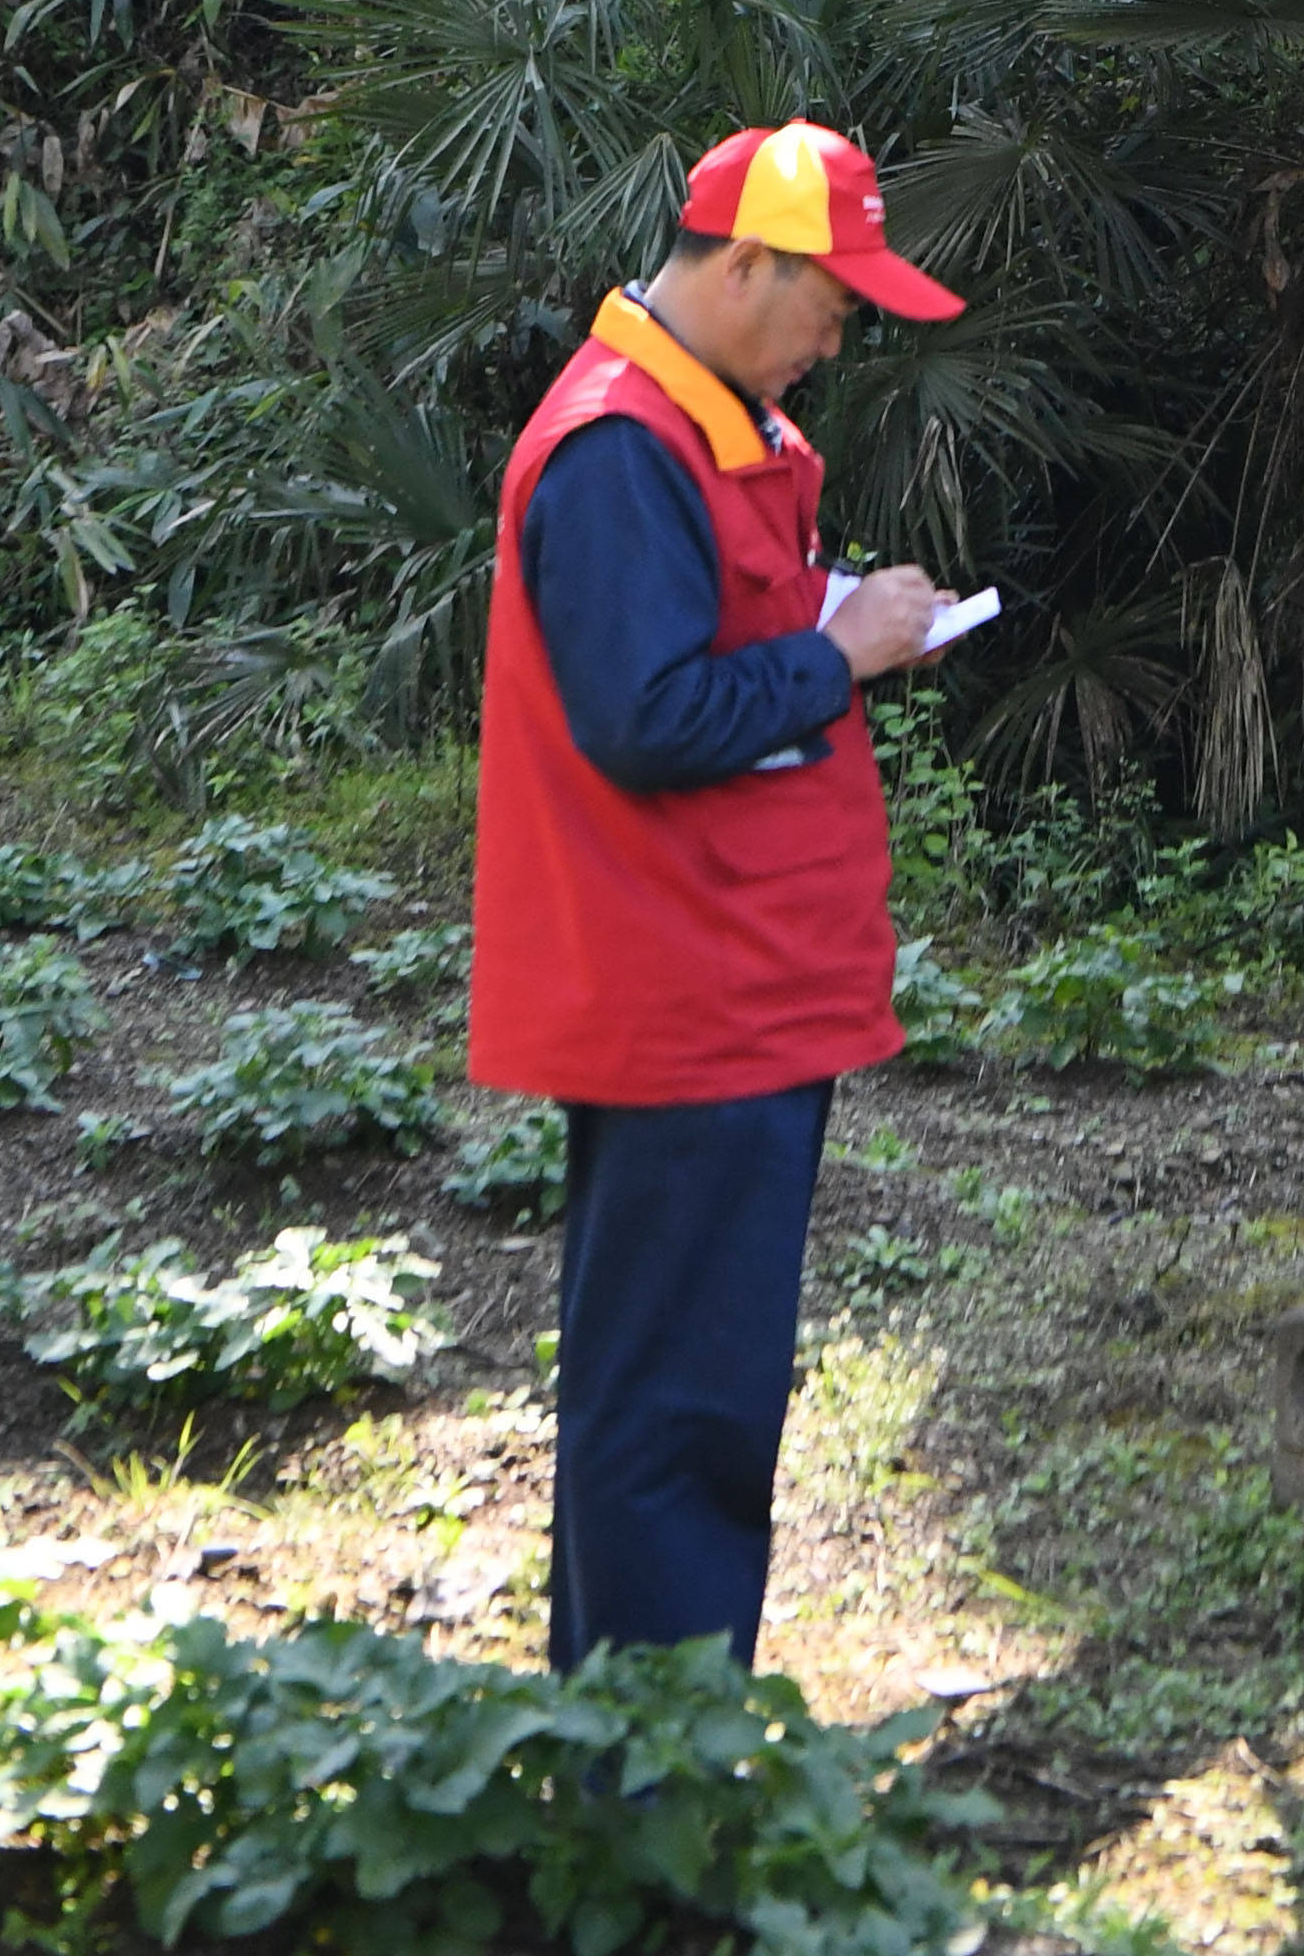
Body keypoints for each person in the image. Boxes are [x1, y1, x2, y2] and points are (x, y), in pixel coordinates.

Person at [468, 115, 969, 1669]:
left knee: (687, 1387)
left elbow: (687, 655)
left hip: (725, 988)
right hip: (686, 998)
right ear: (744, 262)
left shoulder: (691, 424)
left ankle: (635, 1743)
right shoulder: (626, 445)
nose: (843, 330)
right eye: (833, 295)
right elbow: (645, 716)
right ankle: (648, 1779)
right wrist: (840, 651)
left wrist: (824, 622)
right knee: (678, 1402)